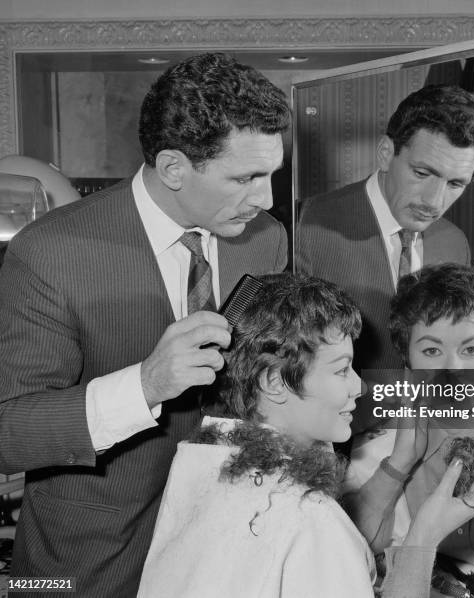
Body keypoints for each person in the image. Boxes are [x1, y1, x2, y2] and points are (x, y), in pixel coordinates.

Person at [0, 53, 290, 597]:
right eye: (246, 177)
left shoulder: (264, 237)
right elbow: (7, 432)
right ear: (174, 166)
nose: (266, 198)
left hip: (223, 546)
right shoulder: (48, 252)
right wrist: (146, 385)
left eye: (272, 173)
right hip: (80, 560)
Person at [136, 273, 474, 598]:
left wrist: (399, 464)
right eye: (341, 370)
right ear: (274, 382)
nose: (359, 386)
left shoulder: (203, 461)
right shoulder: (308, 518)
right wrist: (425, 536)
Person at [296, 85, 474, 432]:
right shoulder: (305, 225)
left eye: (455, 184)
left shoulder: (453, 242)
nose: (434, 201)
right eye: (422, 174)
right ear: (385, 152)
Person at [346, 264, 474, 596]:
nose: (453, 367)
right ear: (407, 359)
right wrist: (398, 465)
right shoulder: (381, 442)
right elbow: (356, 558)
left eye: (471, 350)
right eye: (432, 351)